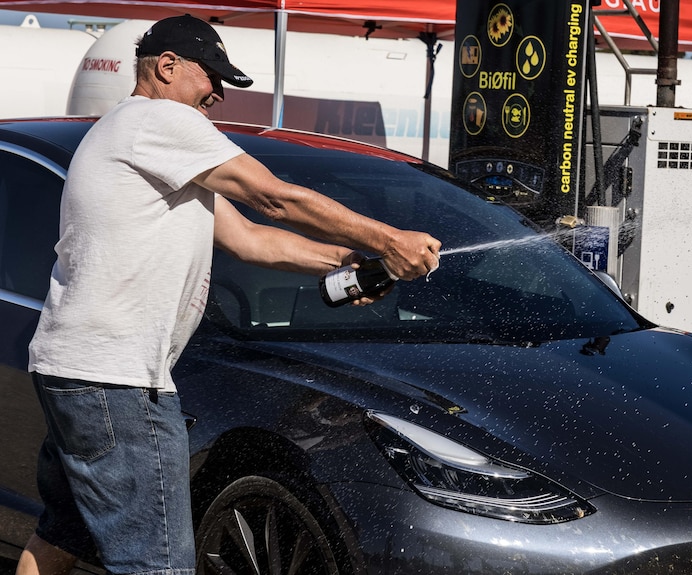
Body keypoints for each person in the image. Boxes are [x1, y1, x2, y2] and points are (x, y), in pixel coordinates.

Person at [17, 14, 441, 575]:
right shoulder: (159, 119)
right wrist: (391, 237)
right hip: (117, 381)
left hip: (77, 371)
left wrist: (352, 261)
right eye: (211, 76)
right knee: (157, 563)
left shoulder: (140, 140)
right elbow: (274, 198)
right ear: (166, 67)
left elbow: (251, 239)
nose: (218, 93)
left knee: (61, 539)